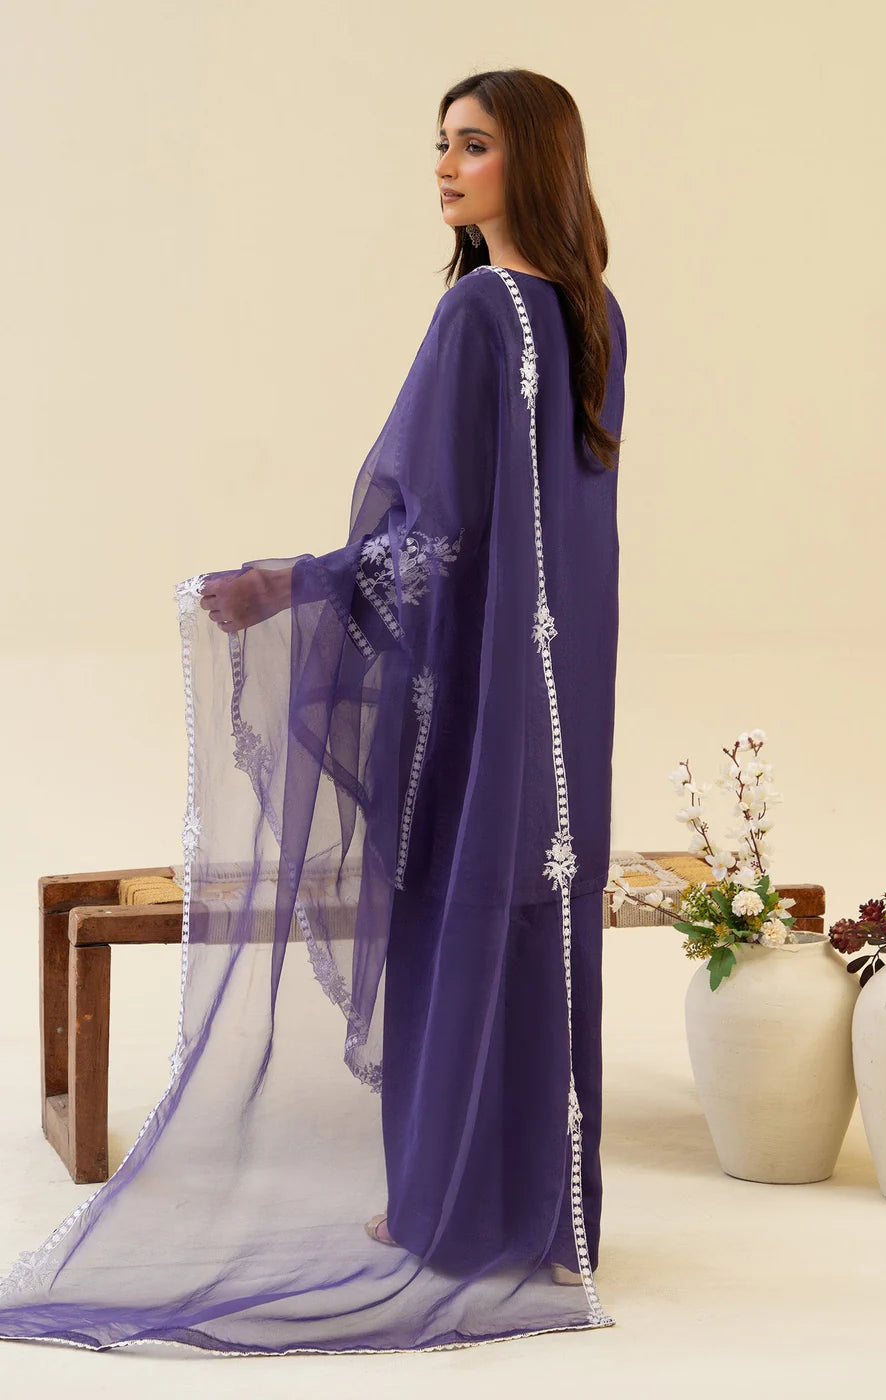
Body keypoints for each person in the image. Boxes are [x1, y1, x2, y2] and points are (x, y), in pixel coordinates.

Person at [0, 67, 627, 1355]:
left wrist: (285, 586)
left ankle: (443, 1215)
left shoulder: (476, 316)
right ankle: (547, 1216)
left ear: (535, 158)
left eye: (472, 146)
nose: (444, 168)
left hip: (479, 689)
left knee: (450, 907)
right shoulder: (597, 316)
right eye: (441, 145)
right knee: (533, 916)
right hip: (563, 693)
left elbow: (432, 538)